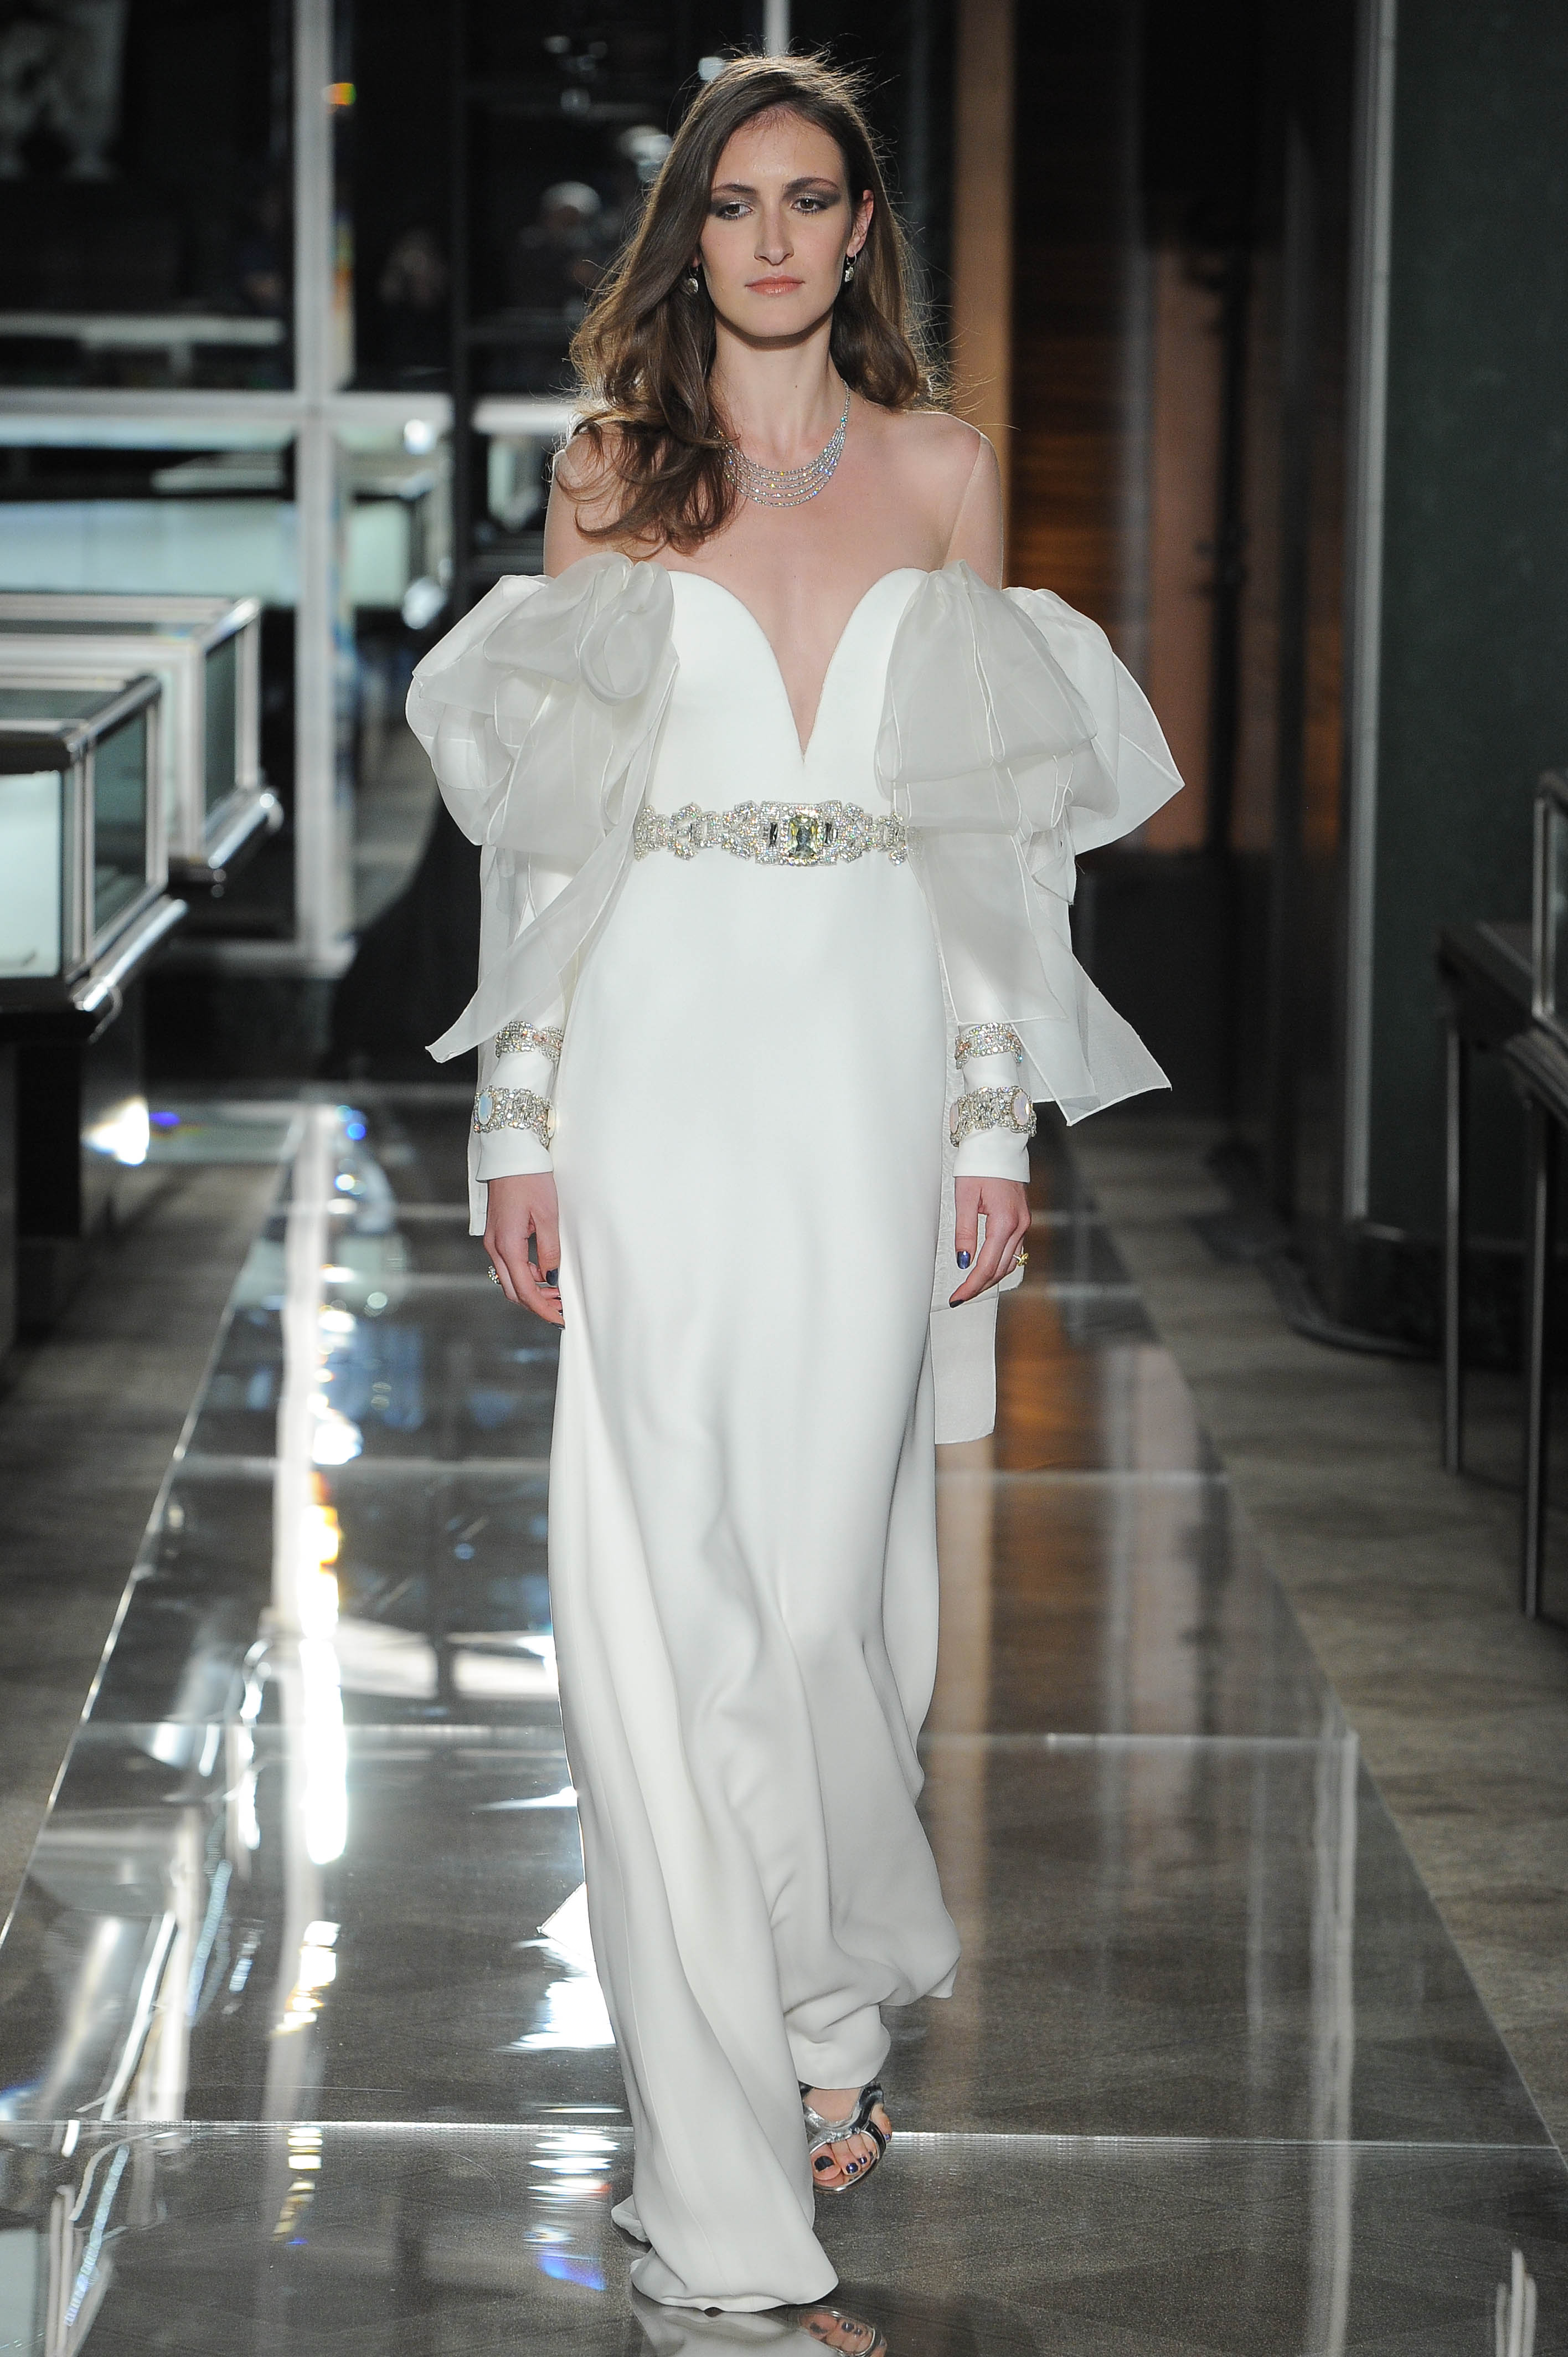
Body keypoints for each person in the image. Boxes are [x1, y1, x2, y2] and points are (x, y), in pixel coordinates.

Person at [408, 51, 1181, 2315]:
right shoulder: (611, 475)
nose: (769, 237)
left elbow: (989, 839)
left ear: (860, 231)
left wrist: (989, 1117)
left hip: (862, 1067)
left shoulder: (941, 471)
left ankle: (828, 1999)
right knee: (670, 1613)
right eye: (733, 200)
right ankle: (721, 2180)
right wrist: (520, 1118)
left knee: (832, 1611)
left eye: (808, 198)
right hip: (655, 1064)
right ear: (694, 231)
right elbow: (550, 842)